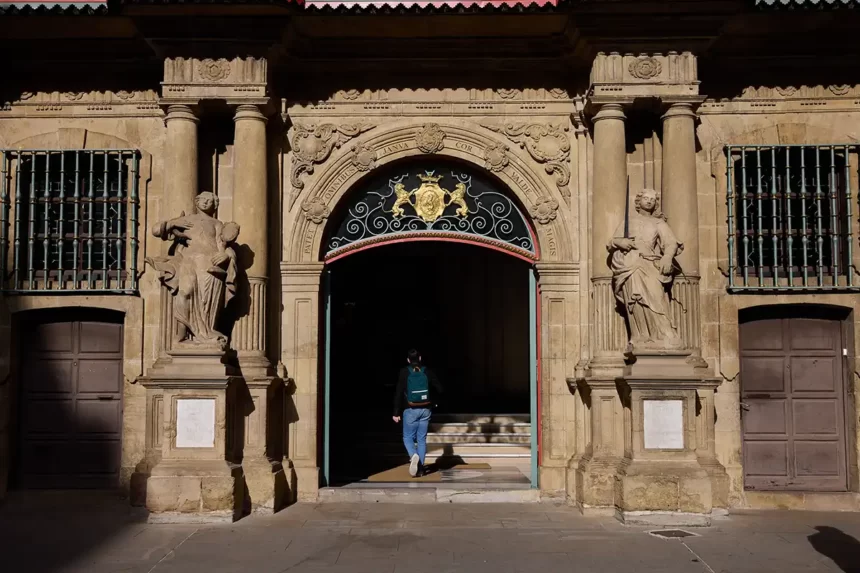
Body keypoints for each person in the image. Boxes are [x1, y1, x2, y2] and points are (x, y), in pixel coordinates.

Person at [392, 349, 443, 477]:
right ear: (420, 358)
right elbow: (440, 389)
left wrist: (396, 412)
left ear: (408, 360)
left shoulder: (404, 372)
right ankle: (420, 470)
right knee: (421, 439)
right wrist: (433, 402)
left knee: (408, 437)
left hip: (409, 410)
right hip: (426, 409)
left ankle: (413, 455)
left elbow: (398, 392)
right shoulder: (427, 371)